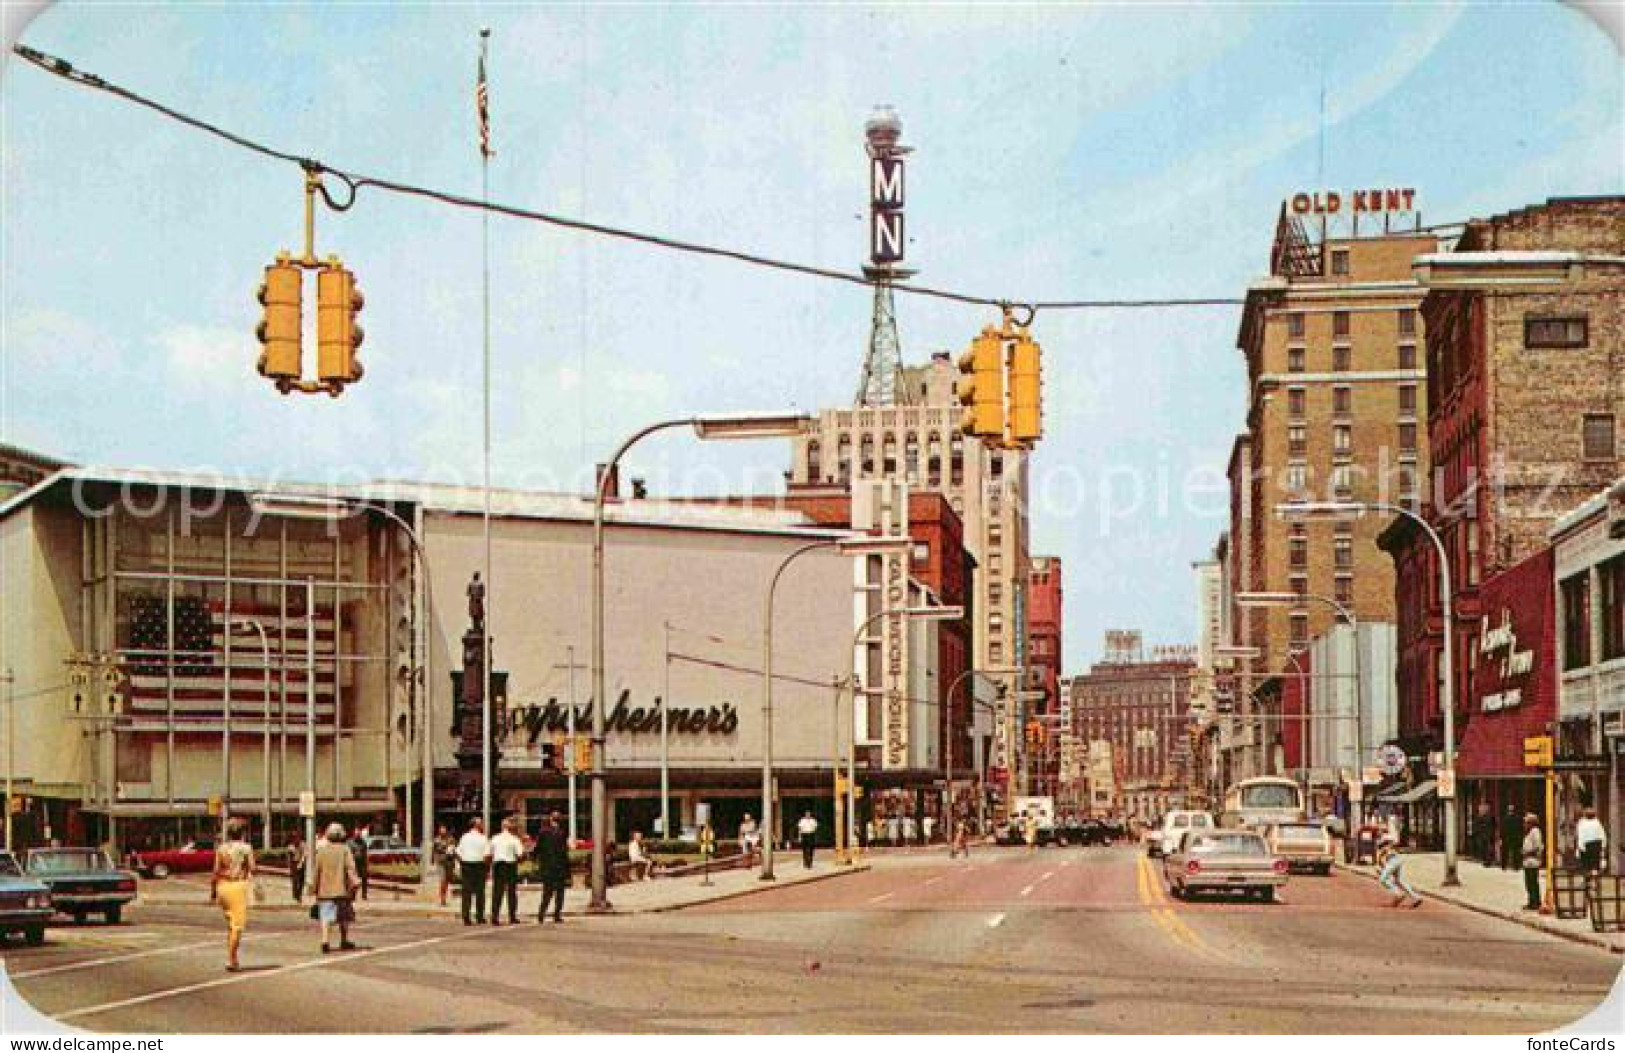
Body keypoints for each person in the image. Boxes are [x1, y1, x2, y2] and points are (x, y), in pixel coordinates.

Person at [211, 817, 256, 972]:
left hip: (222, 886)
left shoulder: (221, 848)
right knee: (237, 926)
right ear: (242, 832)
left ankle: (233, 958)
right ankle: (231, 958)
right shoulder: (246, 848)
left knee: (231, 925)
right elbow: (252, 867)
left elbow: (216, 870)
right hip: (237, 886)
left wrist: (213, 891)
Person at [309, 822, 359, 953]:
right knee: (343, 916)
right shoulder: (345, 850)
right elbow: (350, 868)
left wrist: (313, 888)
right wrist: (355, 882)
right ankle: (343, 940)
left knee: (325, 916)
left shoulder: (321, 851)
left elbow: (317, 871)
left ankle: (325, 941)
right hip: (341, 889)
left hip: (324, 890)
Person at [534, 812, 570, 925]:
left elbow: (538, 849)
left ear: (551, 819)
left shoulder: (543, 832)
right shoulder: (562, 833)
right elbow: (564, 852)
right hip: (559, 867)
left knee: (547, 892)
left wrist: (536, 860)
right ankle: (557, 914)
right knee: (559, 893)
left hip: (547, 867)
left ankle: (541, 914)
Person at [456, 817, 492, 925]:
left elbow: (458, 852)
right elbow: (487, 855)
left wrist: (462, 863)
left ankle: (466, 916)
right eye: (480, 824)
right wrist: (487, 867)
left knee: (466, 892)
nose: (482, 825)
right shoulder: (483, 838)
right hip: (479, 865)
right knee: (480, 892)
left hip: (466, 864)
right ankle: (479, 916)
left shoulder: (464, 837)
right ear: (476, 825)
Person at [489, 816, 524, 925]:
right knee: (512, 892)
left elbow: (489, 854)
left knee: (497, 892)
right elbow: (520, 854)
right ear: (510, 827)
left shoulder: (494, 838)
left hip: (498, 865)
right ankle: (512, 916)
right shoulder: (514, 839)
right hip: (510, 865)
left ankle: (495, 916)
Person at [1376, 836, 1422, 909]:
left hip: (1393, 861)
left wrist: (1381, 868)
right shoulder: (1388, 843)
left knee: (1382, 879)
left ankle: (1398, 894)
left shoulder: (1384, 843)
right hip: (1397, 859)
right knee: (1399, 881)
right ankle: (1416, 897)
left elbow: (1380, 859)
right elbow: (1381, 859)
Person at [1522, 812, 1545, 911]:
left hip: (1532, 861)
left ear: (1531, 823)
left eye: (1526, 822)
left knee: (1532, 882)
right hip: (1528, 861)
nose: (1525, 824)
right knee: (1529, 883)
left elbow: (1537, 846)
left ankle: (1535, 902)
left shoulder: (1535, 831)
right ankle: (1531, 901)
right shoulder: (1530, 832)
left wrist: (1528, 853)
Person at [1576, 807, 1607, 874]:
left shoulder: (1582, 822)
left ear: (1585, 815)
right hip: (1597, 844)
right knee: (1595, 865)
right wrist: (1603, 846)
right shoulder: (1597, 822)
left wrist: (1580, 847)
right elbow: (1602, 835)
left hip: (1587, 845)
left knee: (1587, 865)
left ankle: (1588, 880)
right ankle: (1594, 879)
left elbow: (1581, 835)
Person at [432, 825, 456, 907]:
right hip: (441, 862)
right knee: (443, 880)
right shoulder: (436, 840)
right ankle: (442, 899)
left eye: (444, 829)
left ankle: (444, 896)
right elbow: (434, 851)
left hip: (449, 862)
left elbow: (453, 850)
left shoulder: (451, 839)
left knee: (446, 881)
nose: (442, 831)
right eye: (441, 829)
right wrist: (435, 860)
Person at [348, 825, 371, 901]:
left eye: (359, 833)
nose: (358, 834)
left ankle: (364, 895)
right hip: (354, 864)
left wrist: (367, 864)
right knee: (354, 880)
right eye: (356, 833)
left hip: (362, 864)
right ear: (354, 833)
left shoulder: (363, 843)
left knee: (364, 879)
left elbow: (365, 853)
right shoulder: (350, 842)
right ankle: (353, 895)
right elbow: (348, 854)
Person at [1500, 805, 1522, 871]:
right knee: (1515, 853)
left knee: (1505, 853)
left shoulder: (1504, 818)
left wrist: (1501, 838)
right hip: (1514, 837)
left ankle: (1504, 866)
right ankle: (1516, 866)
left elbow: (1502, 829)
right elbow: (1520, 829)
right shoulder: (1517, 818)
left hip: (1506, 837)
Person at [1473, 801, 1495, 865]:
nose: (1481, 810)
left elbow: (1493, 826)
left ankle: (1487, 860)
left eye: (1482, 809)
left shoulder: (1489, 818)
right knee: (1483, 848)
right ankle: (1485, 860)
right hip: (1482, 835)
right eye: (1480, 809)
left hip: (1486, 835)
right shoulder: (1479, 818)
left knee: (1486, 848)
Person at [288, 833, 307, 904]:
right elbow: (289, 857)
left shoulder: (303, 844)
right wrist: (290, 866)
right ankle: (296, 895)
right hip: (294, 863)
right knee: (294, 880)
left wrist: (301, 864)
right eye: (294, 838)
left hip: (300, 862)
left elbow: (304, 855)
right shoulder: (291, 846)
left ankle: (299, 894)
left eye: (296, 838)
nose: (295, 840)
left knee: (301, 880)